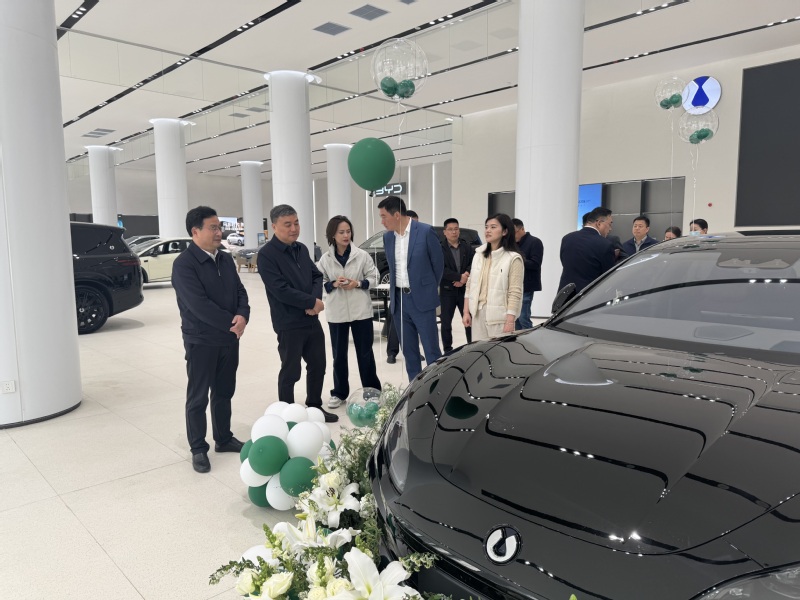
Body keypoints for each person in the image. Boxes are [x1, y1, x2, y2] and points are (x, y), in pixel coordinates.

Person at [172, 206, 250, 474]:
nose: (219, 232)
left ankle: (223, 438)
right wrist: (232, 324)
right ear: (195, 231)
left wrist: (243, 315)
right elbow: (198, 305)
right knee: (198, 397)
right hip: (201, 341)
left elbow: (240, 291)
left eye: (220, 227)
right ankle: (198, 448)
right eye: (213, 228)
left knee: (224, 391)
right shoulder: (184, 264)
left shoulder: (225, 259)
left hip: (228, 340)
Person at [257, 204, 338, 422]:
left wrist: (314, 302)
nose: (294, 229)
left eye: (296, 223)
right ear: (274, 227)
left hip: (311, 319)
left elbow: (316, 276)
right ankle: (287, 414)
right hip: (288, 322)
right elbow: (280, 290)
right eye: (287, 224)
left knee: (318, 365)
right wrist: (311, 301)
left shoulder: (301, 249)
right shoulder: (266, 255)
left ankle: (314, 407)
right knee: (291, 370)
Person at [316, 215, 381, 408]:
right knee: (339, 356)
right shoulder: (325, 259)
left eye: (348, 231)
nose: (346, 235)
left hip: (361, 311)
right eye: (341, 232)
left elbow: (375, 277)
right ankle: (339, 393)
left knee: (365, 354)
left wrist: (357, 283)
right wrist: (333, 284)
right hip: (337, 313)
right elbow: (318, 282)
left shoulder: (362, 255)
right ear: (332, 235)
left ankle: (372, 391)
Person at [378, 196, 444, 380]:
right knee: (409, 351)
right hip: (399, 301)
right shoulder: (388, 237)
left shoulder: (425, 231)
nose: (382, 221)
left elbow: (438, 265)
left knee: (431, 350)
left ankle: (436, 388)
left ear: (396, 215)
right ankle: (414, 389)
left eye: (384, 216)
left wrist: (426, 289)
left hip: (422, 299)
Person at [463, 214, 523, 340]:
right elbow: (470, 284)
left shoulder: (513, 258)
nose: (488, 230)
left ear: (505, 231)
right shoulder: (478, 255)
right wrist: (466, 312)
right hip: (478, 314)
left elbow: (515, 292)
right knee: (480, 351)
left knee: (499, 352)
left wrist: (510, 321)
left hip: (500, 318)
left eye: (493, 227)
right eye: (486, 227)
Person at [558, 206, 615, 294]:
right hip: (589, 296)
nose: (610, 229)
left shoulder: (567, 238)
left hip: (565, 296)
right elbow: (608, 277)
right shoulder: (605, 244)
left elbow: (565, 262)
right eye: (610, 224)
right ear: (599, 223)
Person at [439, 218, 475, 352]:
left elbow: (474, 263)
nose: (454, 232)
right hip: (447, 290)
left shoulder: (466, 247)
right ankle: (447, 350)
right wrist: (459, 277)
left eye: (456, 229)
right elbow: (440, 269)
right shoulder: (439, 248)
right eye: (450, 229)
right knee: (446, 323)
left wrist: (465, 276)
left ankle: (472, 347)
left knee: (469, 320)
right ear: (444, 232)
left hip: (465, 291)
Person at [511, 218, 544, 330]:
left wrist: (517, 260)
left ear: (522, 229)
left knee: (523, 317)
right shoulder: (511, 244)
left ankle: (529, 337)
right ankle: (518, 338)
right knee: (515, 318)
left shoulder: (535, 242)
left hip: (527, 285)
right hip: (513, 285)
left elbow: (536, 264)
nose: (512, 235)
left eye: (514, 232)